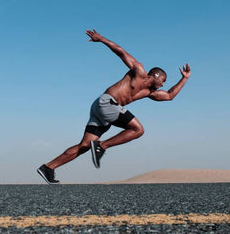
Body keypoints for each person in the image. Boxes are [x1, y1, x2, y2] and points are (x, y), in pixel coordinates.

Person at [37, 29, 191, 184]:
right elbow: (121, 52)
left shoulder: (150, 92)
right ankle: (101, 146)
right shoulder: (138, 70)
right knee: (138, 130)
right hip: (107, 103)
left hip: (103, 110)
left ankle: (48, 167)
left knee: (84, 145)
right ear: (156, 75)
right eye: (163, 80)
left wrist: (184, 79)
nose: (163, 84)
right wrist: (101, 39)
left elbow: (170, 96)